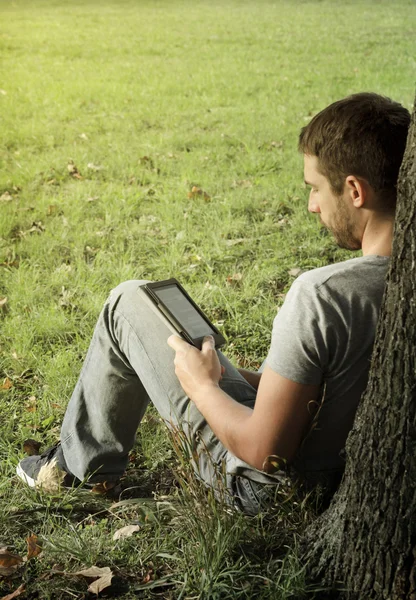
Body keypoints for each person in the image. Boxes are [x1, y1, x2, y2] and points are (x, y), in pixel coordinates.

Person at [17, 93, 410, 515]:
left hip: (265, 492)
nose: (311, 205)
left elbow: (264, 453)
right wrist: (243, 378)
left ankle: (72, 472)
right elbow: (337, 387)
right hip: (339, 475)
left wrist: (201, 386)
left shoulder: (325, 295)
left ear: (354, 190)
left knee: (127, 302)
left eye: (314, 189)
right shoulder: (400, 284)